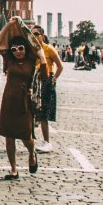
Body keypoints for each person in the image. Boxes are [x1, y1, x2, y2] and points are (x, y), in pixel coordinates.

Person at [0, 20, 40, 180]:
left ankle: (31, 152)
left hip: (24, 101)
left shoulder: (32, 60)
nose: (17, 51)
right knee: (9, 135)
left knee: (26, 135)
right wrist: (8, 24)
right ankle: (13, 169)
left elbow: (35, 45)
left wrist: (21, 25)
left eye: (20, 48)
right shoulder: (10, 60)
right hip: (9, 100)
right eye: (14, 49)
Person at [32, 25, 63, 153]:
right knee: (32, 110)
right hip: (34, 81)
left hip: (45, 81)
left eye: (37, 34)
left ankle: (47, 141)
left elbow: (60, 66)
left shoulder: (49, 49)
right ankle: (30, 139)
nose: (34, 36)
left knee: (44, 112)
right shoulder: (32, 49)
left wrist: (53, 78)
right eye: (32, 34)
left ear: (43, 36)